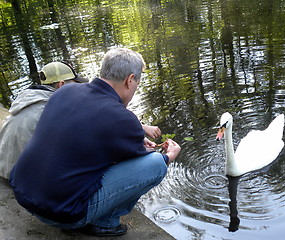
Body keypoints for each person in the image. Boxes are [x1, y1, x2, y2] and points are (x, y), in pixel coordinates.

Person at [9, 48, 181, 237]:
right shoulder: (123, 118)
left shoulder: (65, 91)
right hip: (61, 213)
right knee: (156, 164)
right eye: (137, 84)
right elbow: (141, 166)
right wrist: (168, 157)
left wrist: (134, 139)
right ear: (130, 80)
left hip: (23, 194)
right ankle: (105, 223)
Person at [0, 62, 88, 180]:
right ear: (61, 85)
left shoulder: (28, 100)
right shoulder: (52, 111)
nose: (78, 88)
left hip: (5, 170)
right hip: (21, 180)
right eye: (75, 83)